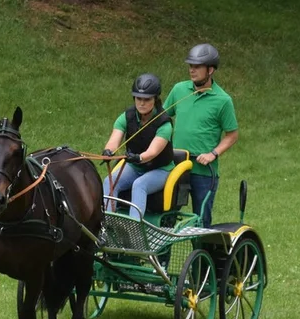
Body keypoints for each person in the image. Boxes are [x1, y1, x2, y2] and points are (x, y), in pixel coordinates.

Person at [162, 43, 238, 227]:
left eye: (197, 67)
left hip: (203, 172)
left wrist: (213, 154)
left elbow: (232, 135)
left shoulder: (223, 100)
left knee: (201, 222)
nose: (192, 70)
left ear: (210, 70)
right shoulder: (179, 90)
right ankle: (162, 258)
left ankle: (201, 255)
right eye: (190, 66)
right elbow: (162, 119)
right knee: (166, 219)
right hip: (176, 166)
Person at [100, 73, 175, 220]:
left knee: (139, 184)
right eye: (138, 98)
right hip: (135, 167)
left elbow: (152, 152)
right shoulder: (126, 116)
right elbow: (114, 140)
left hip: (159, 169)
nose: (141, 103)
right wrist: (109, 151)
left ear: (155, 99)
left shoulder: (164, 123)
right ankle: (108, 223)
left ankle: (135, 228)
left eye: (147, 99)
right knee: (109, 181)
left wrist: (139, 157)